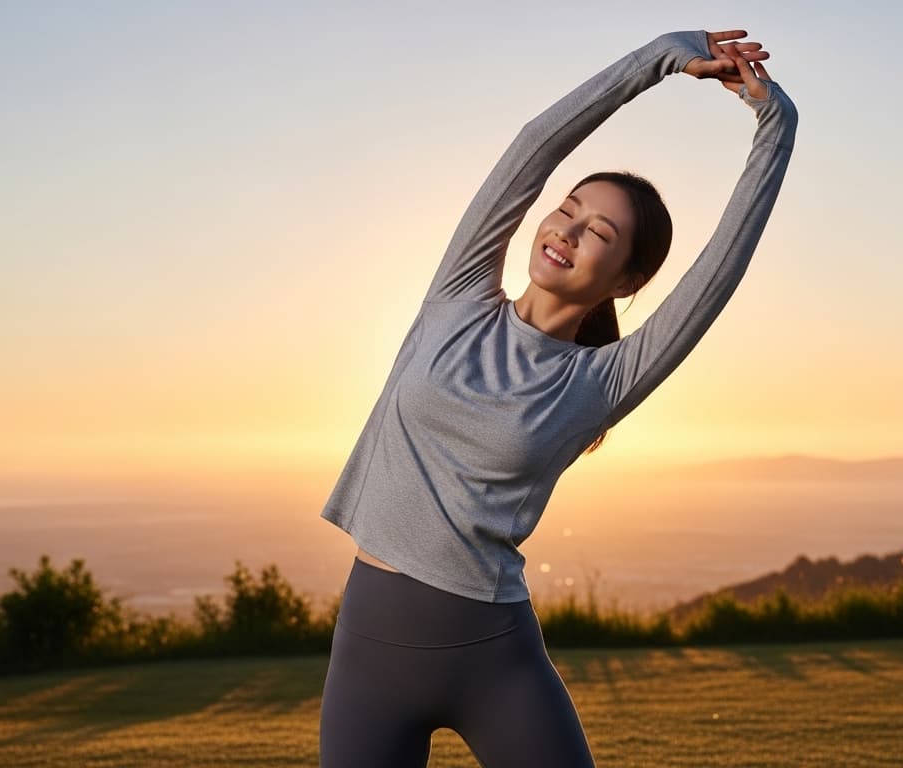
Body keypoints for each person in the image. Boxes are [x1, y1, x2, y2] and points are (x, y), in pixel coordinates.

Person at [318, 27, 798, 768]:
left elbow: (722, 265)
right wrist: (661, 56)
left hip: (493, 657)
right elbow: (534, 145)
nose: (567, 231)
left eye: (599, 232)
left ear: (626, 281)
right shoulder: (456, 298)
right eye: (568, 210)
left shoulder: (599, 381)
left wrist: (776, 125)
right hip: (368, 649)